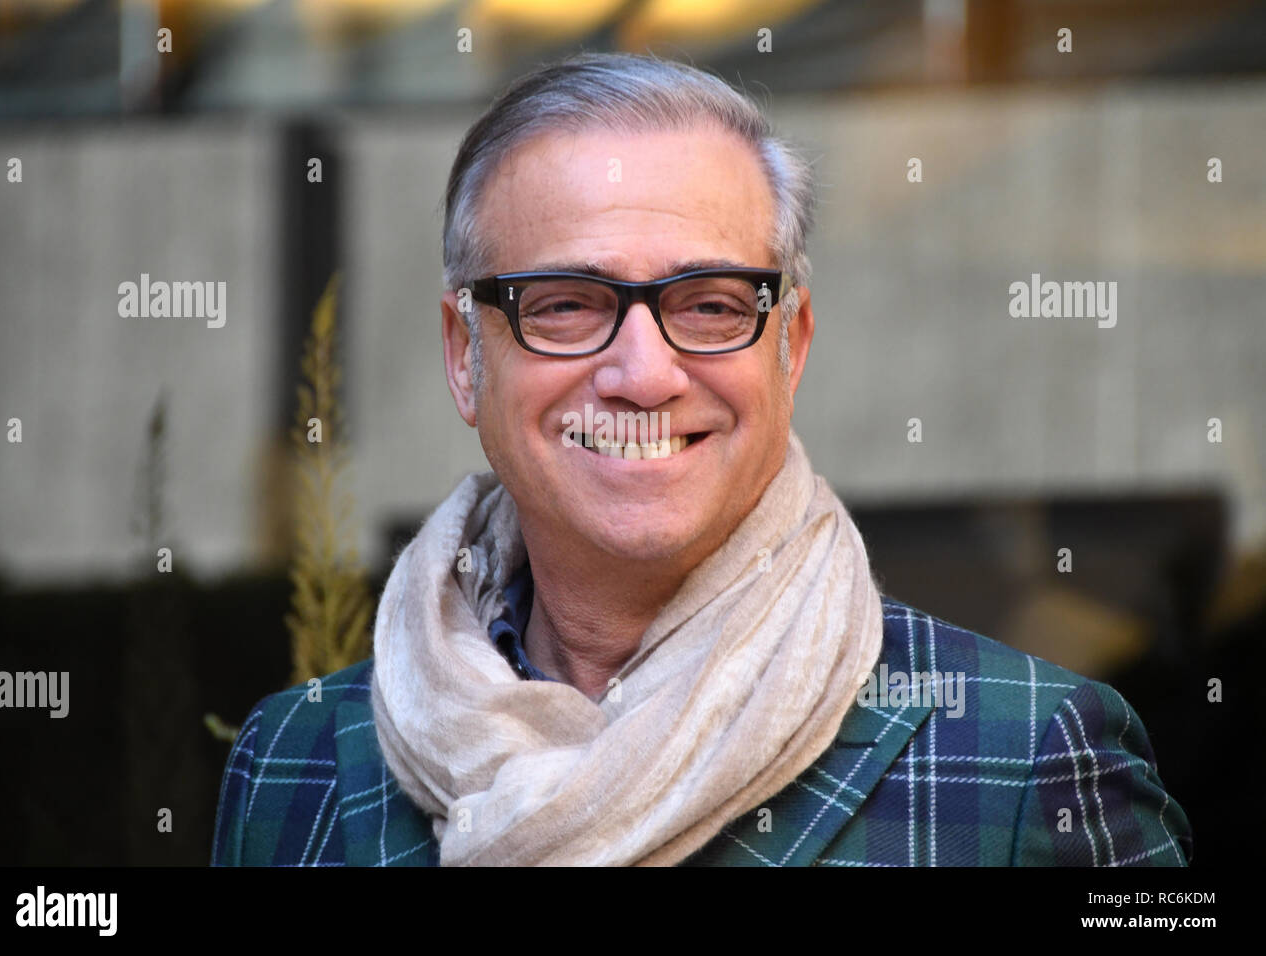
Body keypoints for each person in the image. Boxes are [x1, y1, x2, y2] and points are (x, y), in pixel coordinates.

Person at [211, 51, 1191, 867]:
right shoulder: (294, 764)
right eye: (566, 303)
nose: (644, 373)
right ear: (466, 356)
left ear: (791, 344)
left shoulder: (1027, 758)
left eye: (711, 304)